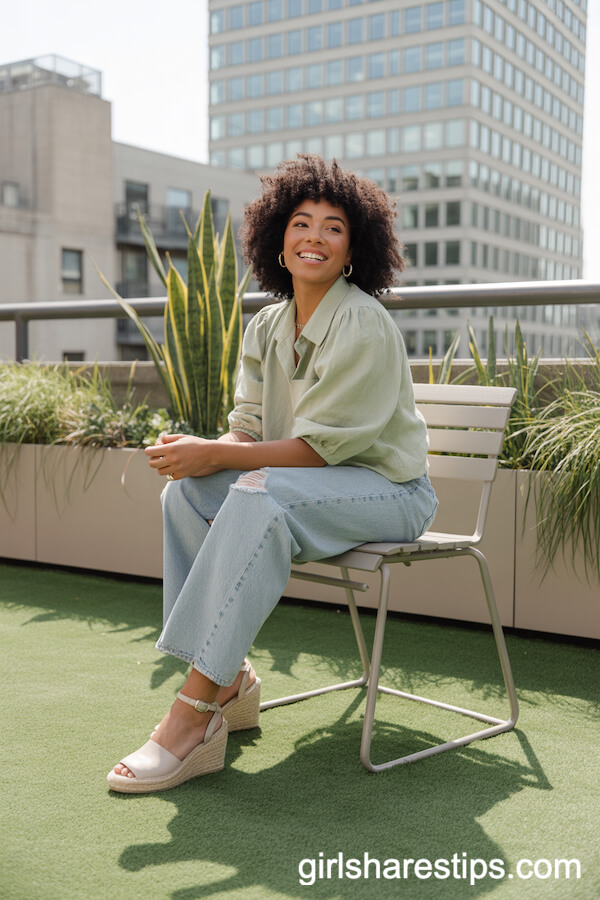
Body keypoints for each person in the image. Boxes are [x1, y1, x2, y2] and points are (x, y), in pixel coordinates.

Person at [107, 155, 438, 793]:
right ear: (278, 242)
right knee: (187, 494)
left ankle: (194, 713)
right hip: (303, 488)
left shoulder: (364, 322)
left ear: (353, 250)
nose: (314, 236)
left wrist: (221, 455)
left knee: (257, 496)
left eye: (334, 227)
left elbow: (319, 451)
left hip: (389, 494)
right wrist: (206, 452)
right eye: (301, 223)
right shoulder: (266, 324)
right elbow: (250, 429)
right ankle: (229, 678)